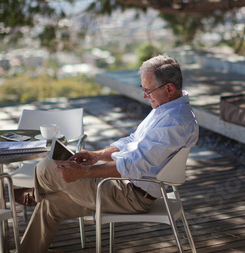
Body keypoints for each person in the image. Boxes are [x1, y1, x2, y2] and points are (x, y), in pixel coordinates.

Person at [19, 54, 199, 252]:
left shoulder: (175, 122)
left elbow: (133, 165)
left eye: (148, 91)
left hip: (130, 196)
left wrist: (84, 172)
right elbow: (131, 142)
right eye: (143, 90)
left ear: (169, 88)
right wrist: (96, 155)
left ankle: (35, 194)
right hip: (125, 186)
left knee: (48, 166)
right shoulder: (167, 108)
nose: (144, 97)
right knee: (50, 205)